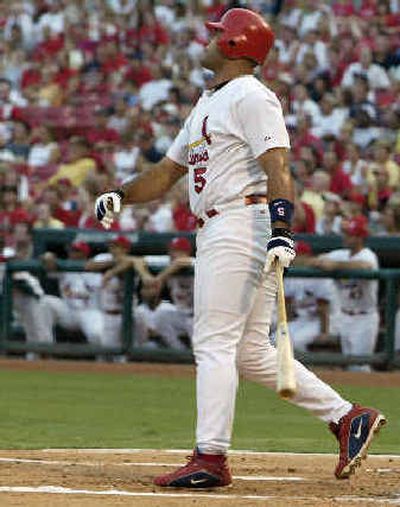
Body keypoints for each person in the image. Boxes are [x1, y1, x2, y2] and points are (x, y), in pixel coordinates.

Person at [95, 8, 386, 487]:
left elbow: (278, 166)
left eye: (217, 35)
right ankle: (347, 418)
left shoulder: (253, 96)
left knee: (213, 342)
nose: (207, 41)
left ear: (234, 45)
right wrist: (121, 194)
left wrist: (281, 228)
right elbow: (167, 173)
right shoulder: (209, 102)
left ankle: (210, 457)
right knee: (250, 353)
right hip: (221, 224)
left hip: (240, 221)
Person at [310, 216, 380, 372]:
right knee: (350, 365)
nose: (346, 237)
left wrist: (337, 266)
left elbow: (365, 266)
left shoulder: (368, 255)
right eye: (346, 233)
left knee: (359, 366)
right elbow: (315, 260)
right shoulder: (341, 253)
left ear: (360, 237)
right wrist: (324, 262)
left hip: (364, 318)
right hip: (345, 316)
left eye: (350, 234)